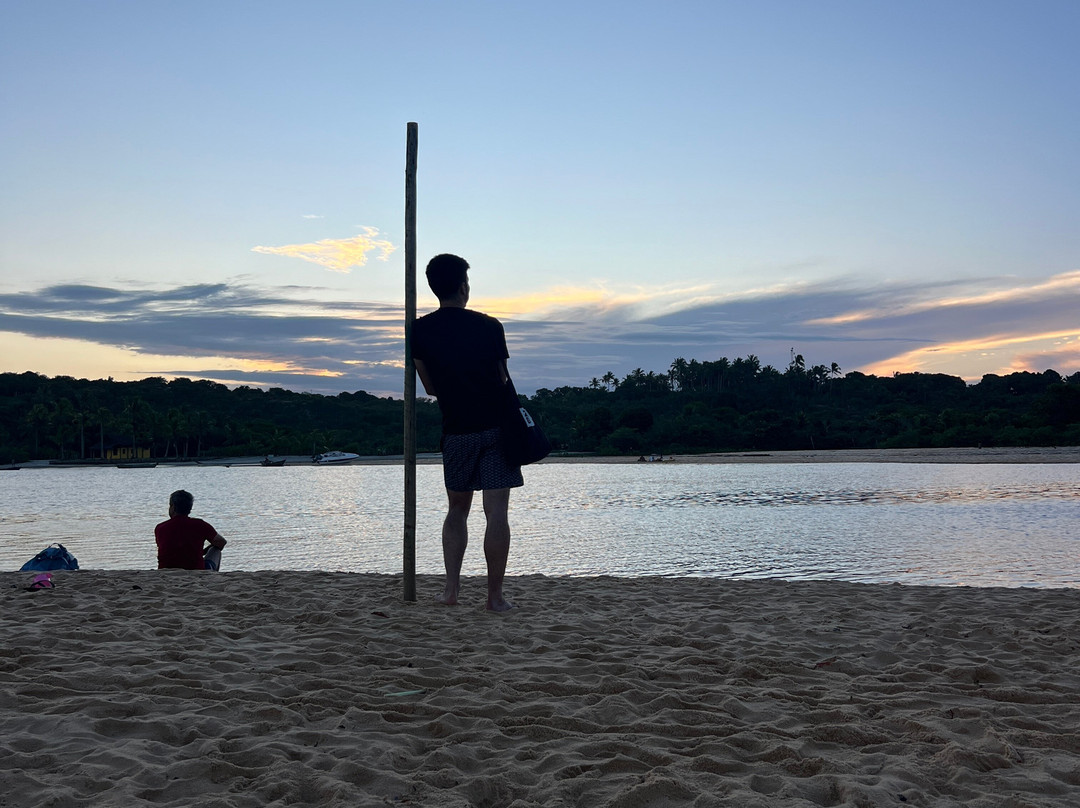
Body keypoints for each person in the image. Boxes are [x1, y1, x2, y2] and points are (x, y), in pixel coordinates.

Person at [412, 253, 522, 612]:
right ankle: (494, 597)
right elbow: (501, 378)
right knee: (496, 512)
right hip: (494, 428)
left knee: (457, 510)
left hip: (456, 429)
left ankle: (451, 591)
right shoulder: (490, 326)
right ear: (463, 287)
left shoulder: (420, 330)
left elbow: (429, 386)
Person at [155, 489, 227, 570]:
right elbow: (221, 542)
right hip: (196, 570)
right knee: (215, 550)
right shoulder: (200, 525)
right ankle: (212, 577)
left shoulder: (160, 528)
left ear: (173, 507)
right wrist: (205, 551)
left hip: (166, 570)